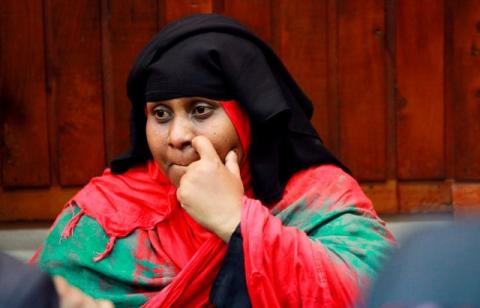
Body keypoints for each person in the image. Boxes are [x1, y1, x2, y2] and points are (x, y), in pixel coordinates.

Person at [34, 14, 395, 307]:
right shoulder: (107, 212)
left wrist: (237, 220)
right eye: (160, 114)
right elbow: (35, 297)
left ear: (248, 117)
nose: (177, 136)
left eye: (201, 110)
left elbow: (383, 295)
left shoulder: (316, 197)